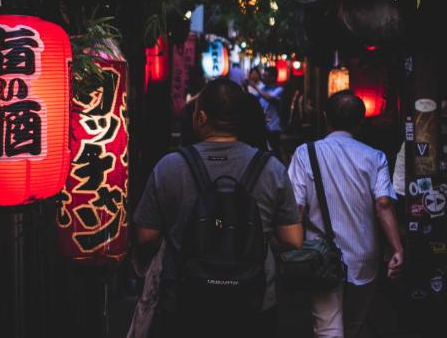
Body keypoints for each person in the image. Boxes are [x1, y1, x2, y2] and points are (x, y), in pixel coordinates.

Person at [133, 78, 303, 338]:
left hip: (184, 298)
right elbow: (293, 239)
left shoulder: (169, 167)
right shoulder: (270, 169)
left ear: (200, 117)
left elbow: (146, 236)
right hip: (253, 300)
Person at [288, 90, 404, 338]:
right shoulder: (375, 157)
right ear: (361, 122)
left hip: (319, 259)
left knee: (328, 329)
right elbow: (383, 204)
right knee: (354, 326)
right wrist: (397, 248)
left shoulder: (304, 154)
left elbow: (296, 209)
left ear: (325, 117)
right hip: (364, 258)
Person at [248, 66, 284, 155]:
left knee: (276, 151)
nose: (263, 77)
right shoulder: (263, 88)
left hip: (274, 126)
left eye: (265, 76)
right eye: (263, 75)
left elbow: (269, 98)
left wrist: (255, 87)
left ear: (272, 78)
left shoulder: (279, 89)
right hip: (263, 125)